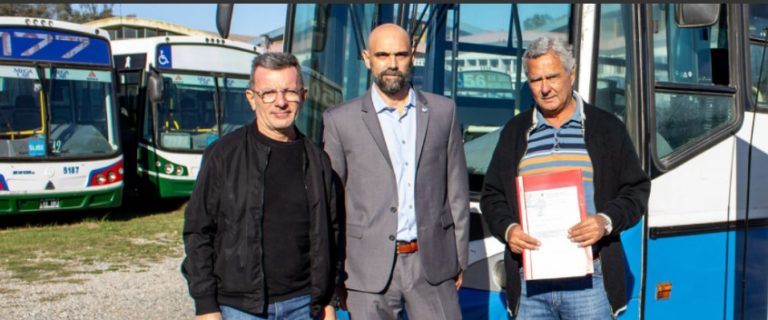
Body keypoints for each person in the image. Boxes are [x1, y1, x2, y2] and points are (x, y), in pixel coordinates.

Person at [480, 36, 651, 319]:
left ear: (571, 74)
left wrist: (604, 222)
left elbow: (636, 191)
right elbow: (492, 196)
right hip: (529, 284)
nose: (545, 88)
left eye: (552, 77)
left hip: (589, 282)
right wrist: (509, 230)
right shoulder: (515, 131)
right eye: (535, 80)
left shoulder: (607, 128)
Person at [322, 23, 470, 319]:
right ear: (367, 58)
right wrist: (334, 273)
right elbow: (331, 205)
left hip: (433, 265)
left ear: (413, 56)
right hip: (365, 271)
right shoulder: (340, 121)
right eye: (382, 55)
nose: (392, 64)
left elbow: (456, 191)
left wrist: (459, 258)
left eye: (400, 54)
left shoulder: (444, 112)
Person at [181, 52, 340, 320]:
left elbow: (332, 234)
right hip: (240, 308)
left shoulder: (318, 161)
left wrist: (328, 299)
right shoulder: (223, 155)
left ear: (303, 95)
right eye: (268, 93)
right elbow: (198, 231)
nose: (280, 102)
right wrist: (206, 306)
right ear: (251, 99)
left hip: (304, 306)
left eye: (289, 92)